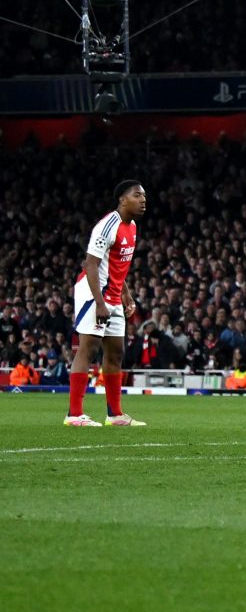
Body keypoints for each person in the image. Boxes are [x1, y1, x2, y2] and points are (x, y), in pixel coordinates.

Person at [66, 180, 148, 430]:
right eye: (137, 195)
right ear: (122, 199)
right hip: (94, 293)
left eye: (144, 196)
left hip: (113, 295)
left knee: (115, 353)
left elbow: (117, 265)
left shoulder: (132, 227)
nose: (143, 200)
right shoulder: (107, 226)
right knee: (88, 349)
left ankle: (115, 414)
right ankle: (74, 414)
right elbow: (90, 265)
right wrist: (100, 303)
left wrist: (126, 294)